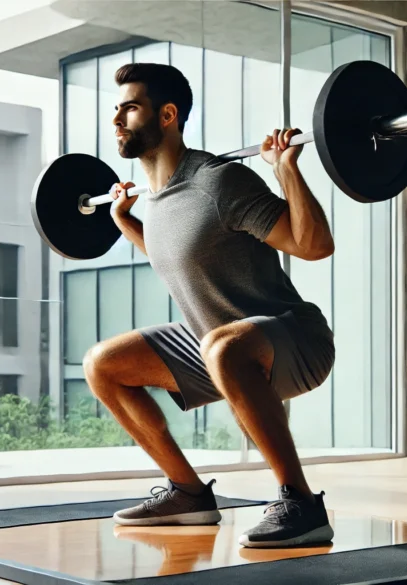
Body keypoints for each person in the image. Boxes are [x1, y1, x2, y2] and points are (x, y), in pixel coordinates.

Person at [82, 62, 336, 549]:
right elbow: (180, 256)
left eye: (130, 108)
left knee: (222, 347)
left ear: (167, 115)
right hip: (216, 343)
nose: (117, 120)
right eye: (116, 109)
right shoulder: (154, 200)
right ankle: (188, 494)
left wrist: (287, 172)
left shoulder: (219, 182)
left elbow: (314, 245)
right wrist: (124, 222)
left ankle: (302, 503)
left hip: (295, 337)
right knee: (103, 365)